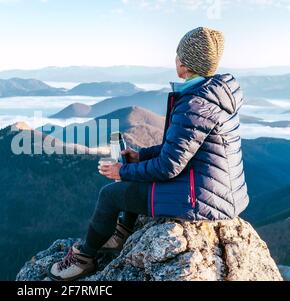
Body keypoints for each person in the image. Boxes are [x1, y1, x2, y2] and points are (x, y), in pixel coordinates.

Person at [48, 27, 249, 281]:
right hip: (220, 189)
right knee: (135, 175)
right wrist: (140, 156)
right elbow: (181, 149)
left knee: (109, 195)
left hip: (201, 198)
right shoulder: (214, 94)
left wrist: (122, 171)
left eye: (177, 55)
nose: (175, 60)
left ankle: (84, 257)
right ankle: (122, 231)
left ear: (184, 64)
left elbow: (168, 166)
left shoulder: (194, 104)